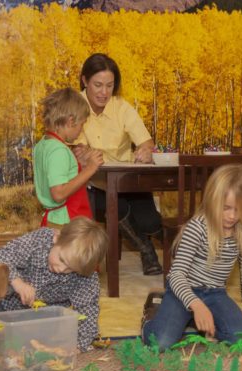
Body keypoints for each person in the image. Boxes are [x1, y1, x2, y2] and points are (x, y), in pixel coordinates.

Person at [141, 164, 242, 351]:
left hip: (216, 293)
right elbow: (175, 275)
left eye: (238, 209)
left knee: (239, 339)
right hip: (182, 292)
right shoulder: (197, 227)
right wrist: (197, 305)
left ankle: (200, 322)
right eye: (226, 208)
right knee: (161, 343)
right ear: (212, 201)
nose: (232, 216)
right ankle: (152, 316)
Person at [0, 217, 108, 352]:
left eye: (70, 270)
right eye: (61, 259)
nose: (61, 269)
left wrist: (78, 346)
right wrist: (18, 283)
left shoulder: (85, 277)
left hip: (43, 320)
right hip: (7, 306)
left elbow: (88, 311)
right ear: (56, 238)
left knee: (27, 342)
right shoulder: (39, 241)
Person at [73, 53, 163, 275]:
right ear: (85, 81)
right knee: (118, 207)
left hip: (129, 179)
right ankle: (146, 250)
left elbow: (147, 142)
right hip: (95, 183)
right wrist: (83, 155)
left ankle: (156, 242)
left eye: (110, 86)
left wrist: (145, 150)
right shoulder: (74, 106)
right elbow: (78, 151)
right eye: (98, 85)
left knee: (150, 221)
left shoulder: (122, 107)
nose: (104, 92)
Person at [33, 87, 104, 228]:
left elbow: (60, 175)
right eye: (82, 124)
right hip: (66, 223)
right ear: (71, 122)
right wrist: (89, 169)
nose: (81, 130)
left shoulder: (44, 145)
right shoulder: (58, 150)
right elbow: (59, 193)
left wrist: (79, 164)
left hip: (57, 220)